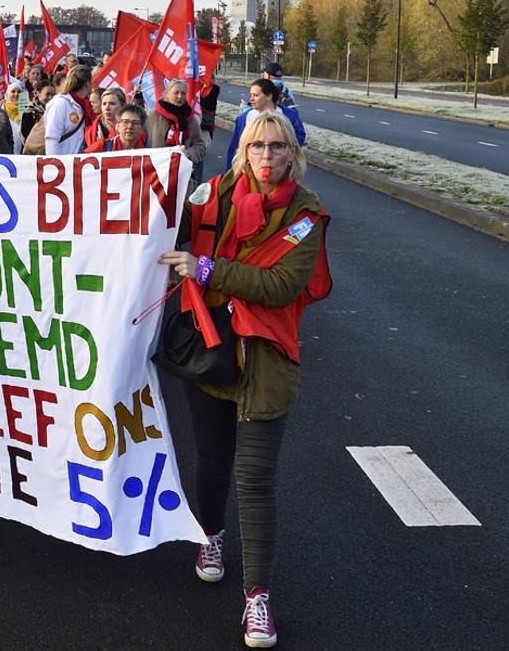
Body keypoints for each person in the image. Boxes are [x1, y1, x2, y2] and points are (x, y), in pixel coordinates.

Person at [159, 111, 331, 649]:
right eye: (257, 146)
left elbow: (281, 286)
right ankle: (210, 536)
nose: (266, 156)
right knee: (212, 461)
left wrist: (208, 270)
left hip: (266, 358)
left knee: (255, 480)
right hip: (209, 346)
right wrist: (152, 177)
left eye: (277, 147)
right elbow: (167, 230)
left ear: (292, 153)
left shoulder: (305, 214)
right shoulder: (211, 194)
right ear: (243, 151)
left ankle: (257, 595)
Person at [227, 80, 306, 170]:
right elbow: (234, 148)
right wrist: (230, 171)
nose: (251, 99)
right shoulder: (243, 119)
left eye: (256, 95)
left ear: (269, 96)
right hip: (250, 170)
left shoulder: (289, 116)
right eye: (251, 95)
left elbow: (298, 139)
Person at [148, 79, 208, 168]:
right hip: (156, 167)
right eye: (176, 93)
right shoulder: (153, 115)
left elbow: (200, 146)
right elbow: (140, 139)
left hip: (181, 169)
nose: (180, 96)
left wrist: (187, 154)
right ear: (167, 94)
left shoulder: (190, 119)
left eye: (183, 93)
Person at [44, 63, 95, 155]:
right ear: (87, 84)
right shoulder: (60, 103)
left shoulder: (86, 105)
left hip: (79, 160)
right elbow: (52, 138)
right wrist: (54, 162)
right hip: (64, 160)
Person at [196, 80, 221, 180]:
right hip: (193, 123)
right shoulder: (195, 84)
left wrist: (196, 99)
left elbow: (210, 105)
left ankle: (197, 180)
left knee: (199, 152)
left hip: (204, 124)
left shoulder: (214, 87)